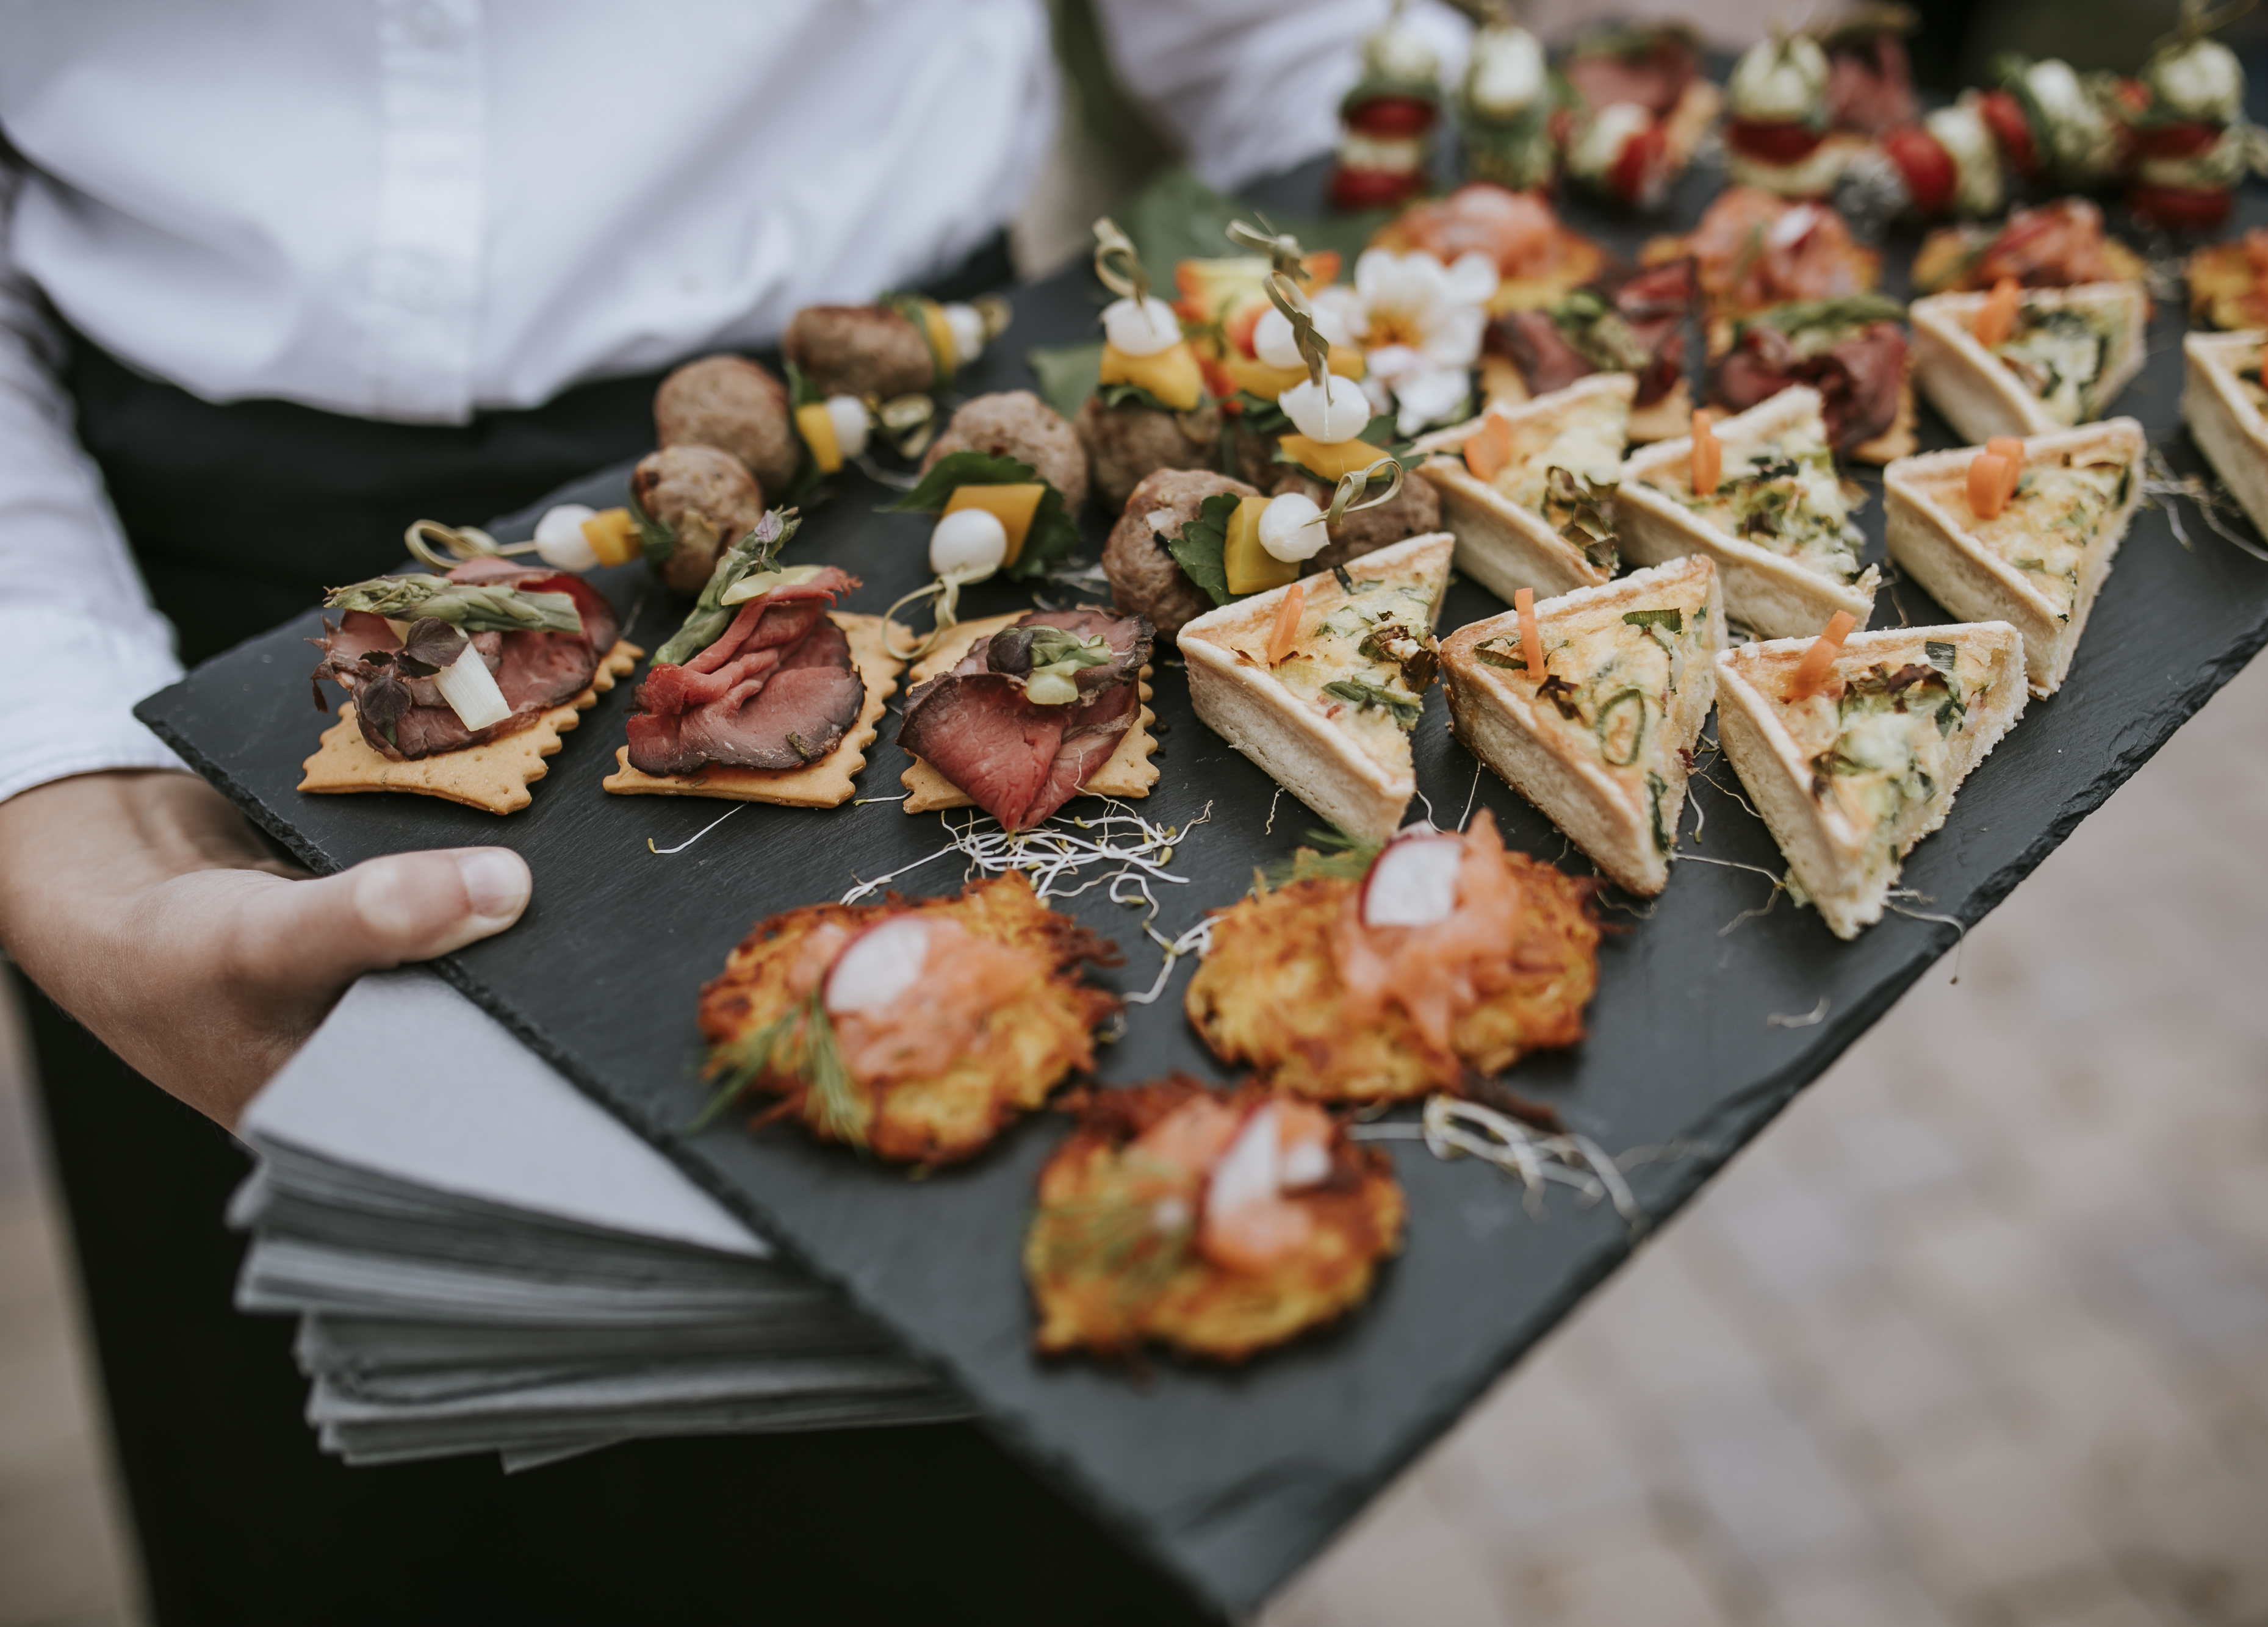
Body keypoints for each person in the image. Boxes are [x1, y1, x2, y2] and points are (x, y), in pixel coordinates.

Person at [0, 4, 1463, 1620]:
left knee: (976, 1517)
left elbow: (1294, 46)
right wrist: (46, 760)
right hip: (149, 636)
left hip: (932, 491)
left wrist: (1419, 275)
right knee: (357, 1528)